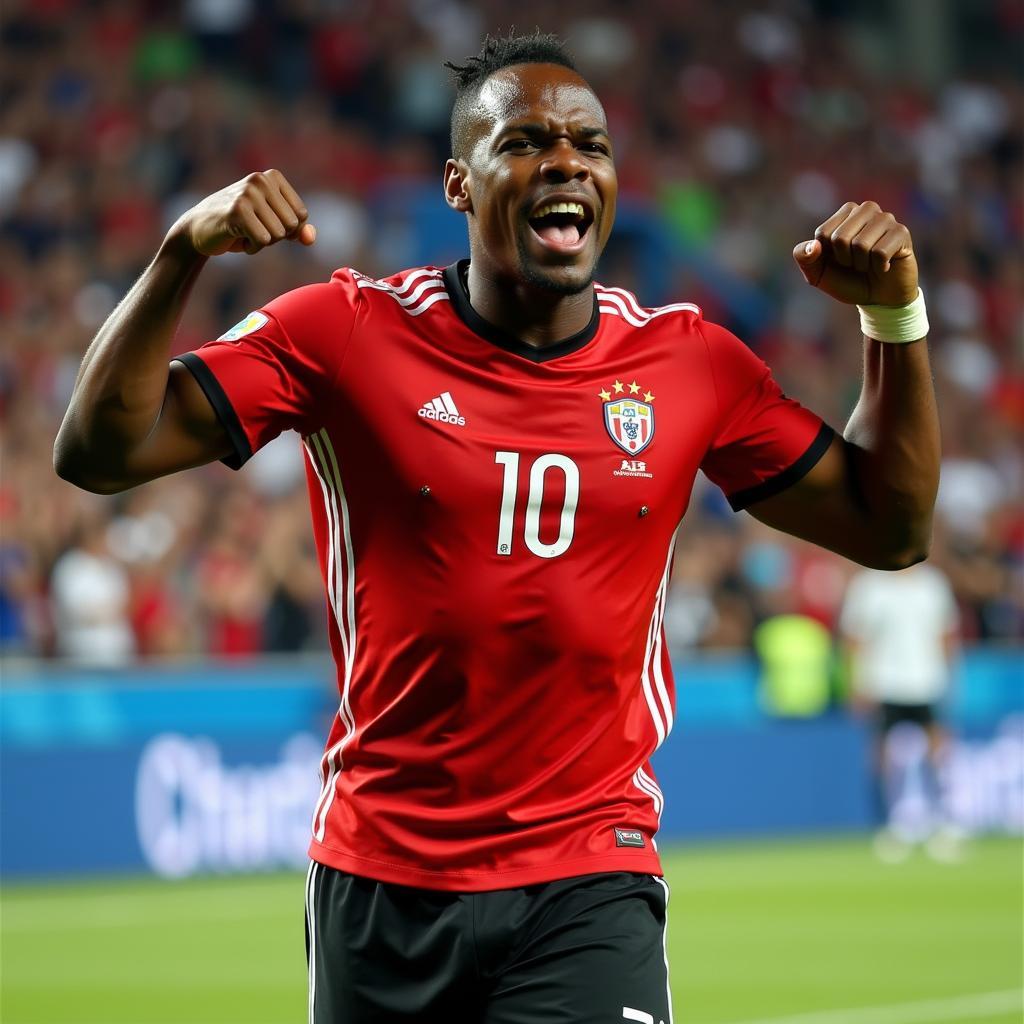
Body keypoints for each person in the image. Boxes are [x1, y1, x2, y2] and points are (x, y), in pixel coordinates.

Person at [54, 30, 940, 1024]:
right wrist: (183, 252)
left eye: (588, 145)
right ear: (458, 186)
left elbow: (887, 525)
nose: (565, 161)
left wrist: (894, 321)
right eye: (522, 142)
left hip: (587, 874)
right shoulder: (343, 334)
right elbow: (96, 450)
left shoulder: (690, 364)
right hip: (381, 880)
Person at [839, 563, 961, 861]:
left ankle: (943, 823)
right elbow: (854, 639)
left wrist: (949, 677)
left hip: (927, 681)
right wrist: (856, 683)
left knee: (938, 754)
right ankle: (887, 826)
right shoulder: (868, 585)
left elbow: (946, 634)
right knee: (881, 757)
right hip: (884, 683)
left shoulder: (933, 584)